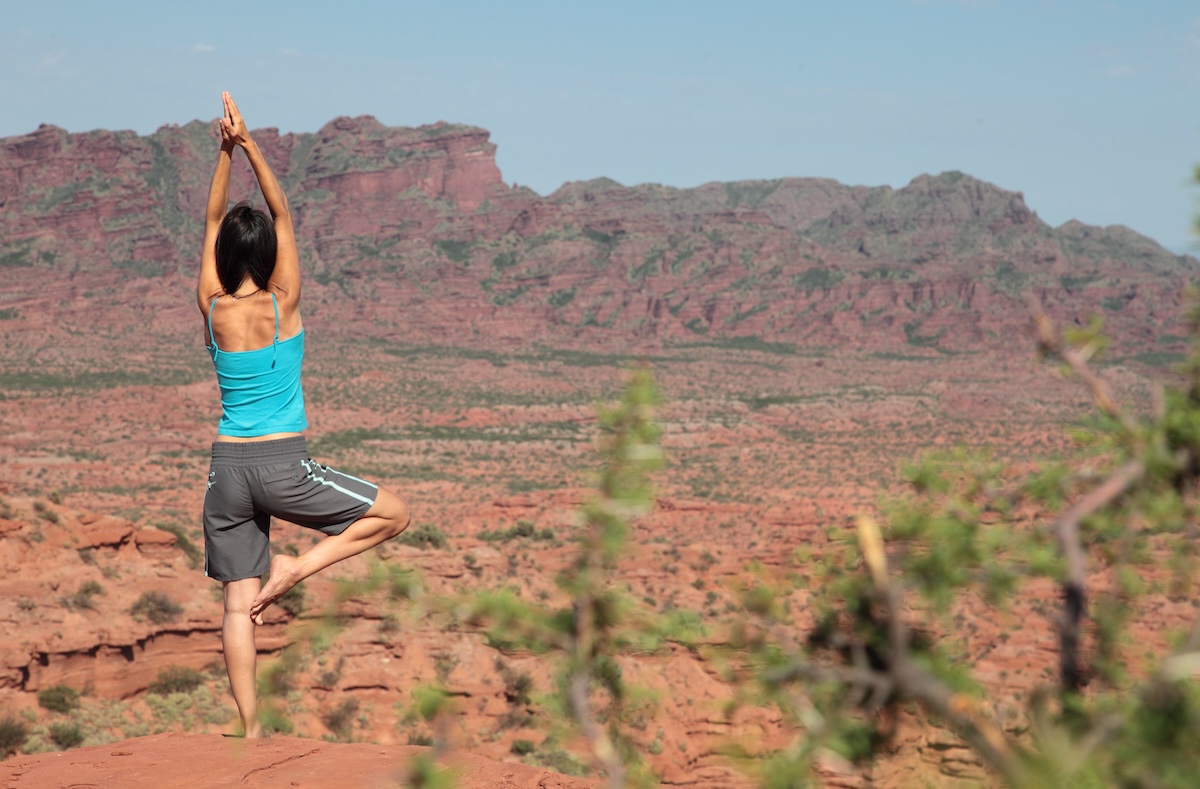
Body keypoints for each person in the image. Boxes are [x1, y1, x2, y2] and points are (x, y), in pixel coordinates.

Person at [197, 92, 410, 738]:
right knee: (393, 513)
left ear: (226, 259)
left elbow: (209, 224)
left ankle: (251, 727)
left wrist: (223, 155)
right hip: (282, 462)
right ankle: (296, 569)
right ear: (262, 260)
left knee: (236, 604)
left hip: (226, 470)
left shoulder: (209, 306)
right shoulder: (282, 305)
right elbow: (283, 216)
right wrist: (251, 144)